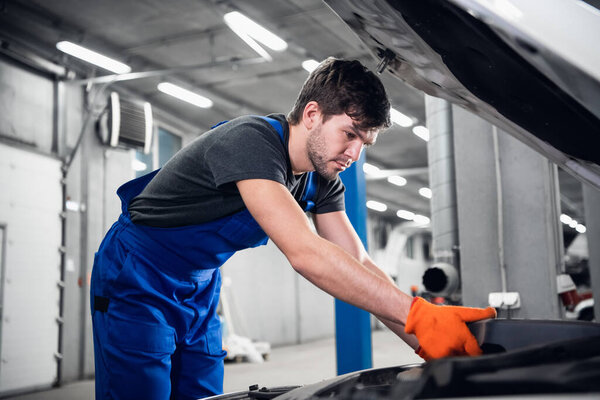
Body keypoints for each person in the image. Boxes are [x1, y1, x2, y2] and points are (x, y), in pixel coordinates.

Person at [90, 58, 496, 400]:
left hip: (198, 288)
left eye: (364, 143)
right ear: (313, 114)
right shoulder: (249, 142)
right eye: (349, 134)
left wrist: (424, 337)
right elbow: (306, 254)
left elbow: (356, 262)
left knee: (203, 393)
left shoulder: (322, 179)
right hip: (136, 276)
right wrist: (417, 316)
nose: (354, 153)